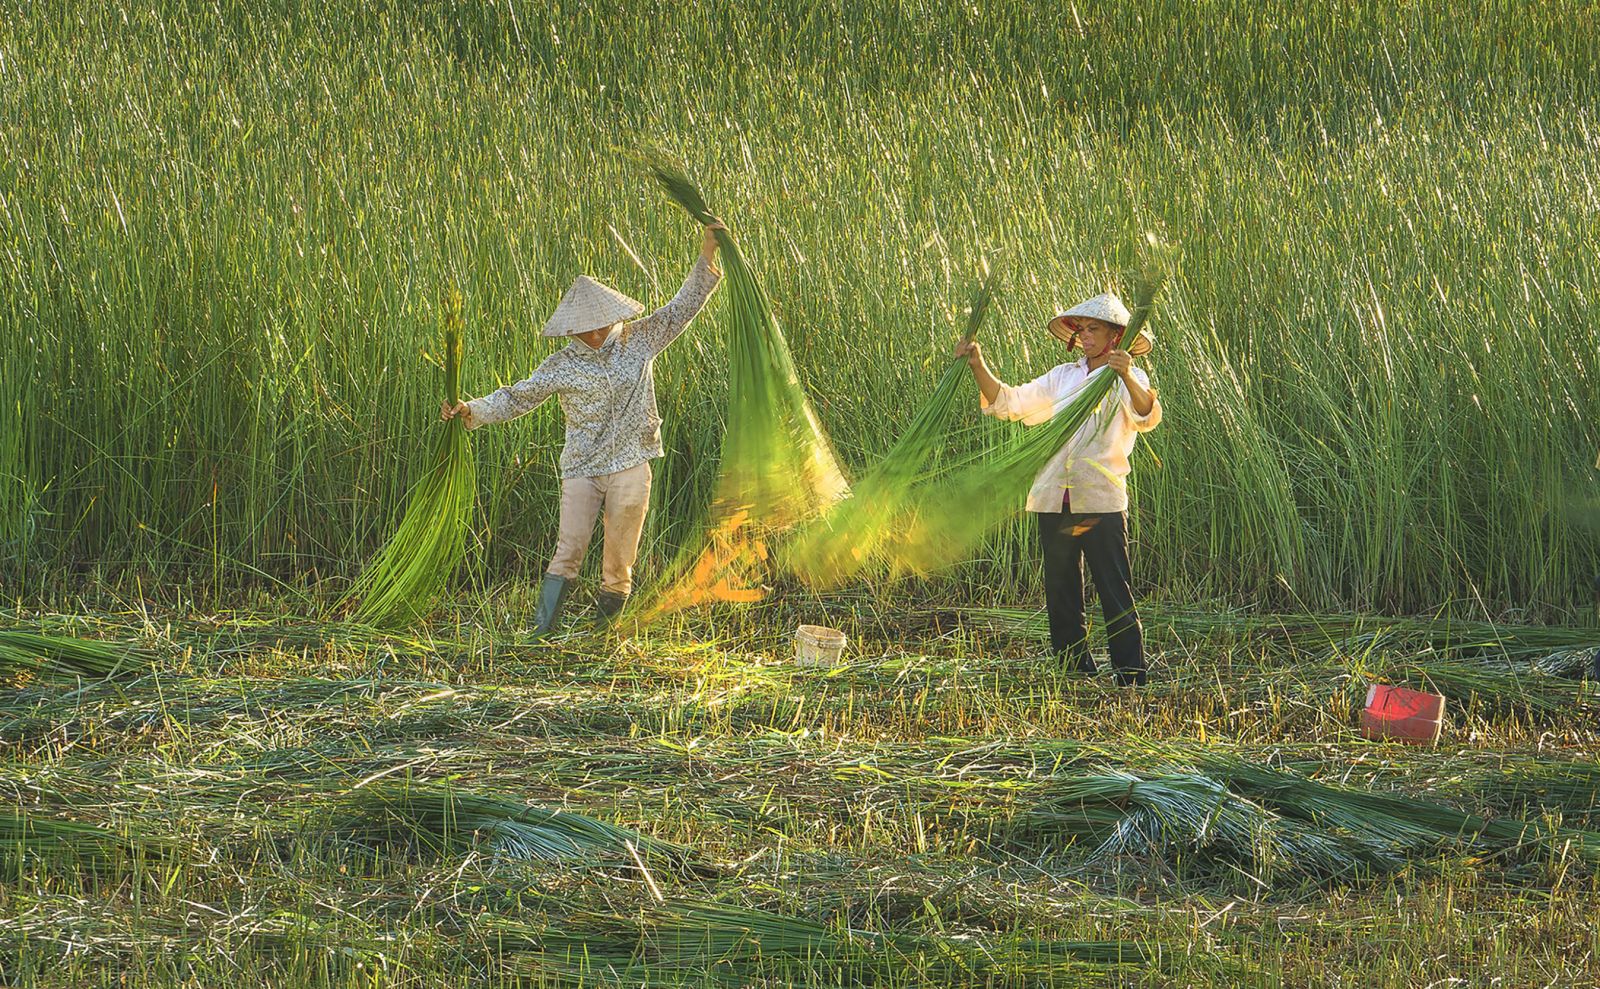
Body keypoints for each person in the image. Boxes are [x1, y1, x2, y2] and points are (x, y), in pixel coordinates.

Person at [442, 220, 725, 635]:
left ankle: (602, 637)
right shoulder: (561, 365)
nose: (594, 333)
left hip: (631, 461)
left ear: (612, 317)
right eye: (584, 327)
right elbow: (518, 396)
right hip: (582, 467)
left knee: (619, 562)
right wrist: (472, 409)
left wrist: (707, 253)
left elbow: (679, 310)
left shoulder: (639, 339)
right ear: (571, 328)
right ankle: (542, 634)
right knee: (569, 549)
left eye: (600, 323)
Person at [955, 293, 1162, 685]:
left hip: (1099, 501)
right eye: (1081, 329)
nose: (1085, 337)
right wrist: (977, 364)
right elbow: (1012, 402)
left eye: (1094, 329)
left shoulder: (1128, 378)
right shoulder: (1063, 376)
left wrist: (1125, 375)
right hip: (1055, 498)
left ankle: (1130, 676)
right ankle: (1074, 670)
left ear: (1116, 336)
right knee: (1061, 589)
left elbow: (1146, 415)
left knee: (1114, 589)